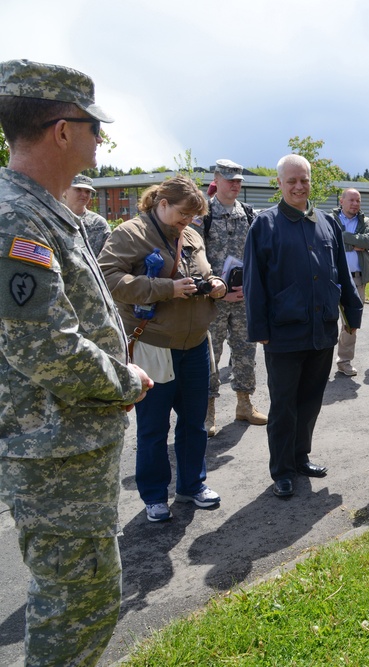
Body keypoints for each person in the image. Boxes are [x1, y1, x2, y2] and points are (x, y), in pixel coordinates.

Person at [0, 58, 152, 667]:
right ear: (62, 130)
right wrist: (126, 379)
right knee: (75, 605)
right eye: (92, 127)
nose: (98, 139)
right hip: (53, 448)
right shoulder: (17, 217)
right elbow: (48, 348)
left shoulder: (41, 210)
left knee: (79, 599)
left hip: (66, 444)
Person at [101, 175, 227, 523]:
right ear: (162, 204)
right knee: (154, 428)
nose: (188, 222)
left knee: (194, 423)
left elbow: (202, 271)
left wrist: (213, 283)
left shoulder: (191, 235)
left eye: (193, 217)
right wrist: (164, 288)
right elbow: (108, 278)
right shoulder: (130, 234)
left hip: (196, 345)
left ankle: (192, 486)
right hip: (154, 346)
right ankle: (155, 496)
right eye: (183, 214)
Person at [244, 155, 364, 498]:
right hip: (283, 333)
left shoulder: (328, 223)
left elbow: (342, 274)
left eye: (304, 180)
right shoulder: (264, 226)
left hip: (321, 331)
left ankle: (300, 457)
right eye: (291, 181)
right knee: (283, 405)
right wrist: (260, 330)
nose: (299, 187)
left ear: (311, 182)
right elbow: (254, 283)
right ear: (279, 184)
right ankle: (281, 469)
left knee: (311, 400)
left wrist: (351, 316)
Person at [198, 159, 266, 436]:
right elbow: (194, 256)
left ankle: (244, 404)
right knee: (210, 357)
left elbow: (258, 256)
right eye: (229, 180)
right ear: (217, 178)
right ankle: (208, 410)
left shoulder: (249, 214)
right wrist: (210, 285)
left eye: (238, 180)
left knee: (246, 352)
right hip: (211, 299)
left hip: (242, 298)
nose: (235, 184)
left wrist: (248, 287)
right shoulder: (203, 214)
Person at [332, 187, 369, 377]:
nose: (355, 204)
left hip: (357, 279)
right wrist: (353, 244)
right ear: (341, 201)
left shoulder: (366, 221)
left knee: (351, 323)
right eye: (351, 200)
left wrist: (343, 242)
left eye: (358, 200)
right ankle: (320, 361)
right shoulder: (330, 220)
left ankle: (344, 361)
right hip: (332, 278)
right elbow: (329, 241)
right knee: (325, 320)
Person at [63, 173, 111, 253]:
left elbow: (108, 256)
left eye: (88, 191)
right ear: (65, 191)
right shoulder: (53, 218)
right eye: (78, 189)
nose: (84, 195)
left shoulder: (98, 223)